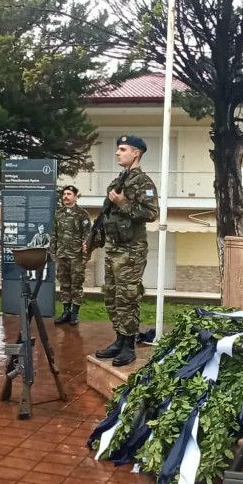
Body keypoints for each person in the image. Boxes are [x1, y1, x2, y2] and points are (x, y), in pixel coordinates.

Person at [92, 135, 159, 367]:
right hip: (113, 247)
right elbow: (105, 217)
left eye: (122, 149)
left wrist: (123, 203)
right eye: (118, 149)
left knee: (126, 297)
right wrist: (92, 241)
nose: (117, 153)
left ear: (136, 153)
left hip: (131, 250)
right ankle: (119, 339)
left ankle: (129, 344)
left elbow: (151, 213)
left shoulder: (144, 183)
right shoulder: (117, 181)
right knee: (111, 295)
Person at [52, 185, 91, 325]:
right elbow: (54, 234)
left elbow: (87, 237)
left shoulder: (82, 214)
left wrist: (85, 256)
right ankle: (66, 311)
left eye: (69, 194)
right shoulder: (59, 213)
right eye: (64, 194)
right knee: (64, 284)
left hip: (76, 256)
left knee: (76, 284)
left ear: (75, 196)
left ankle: (75, 313)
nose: (65, 196)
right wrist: (53, 252)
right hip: (62, 255)